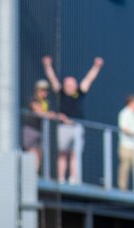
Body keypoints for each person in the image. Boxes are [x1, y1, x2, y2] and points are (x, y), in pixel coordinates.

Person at [42, 55, 102, 185]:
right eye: (67, 84)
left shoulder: (79, 93)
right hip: (63, 127)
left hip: (76, 127)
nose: (69, 86)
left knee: (75, 154)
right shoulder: (61, 93)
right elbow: (52, 79)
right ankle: (61, 179)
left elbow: (89, 79)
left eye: (71, 84)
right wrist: (47, 66)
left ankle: (73, 179)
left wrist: (96, 67)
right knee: (62, 153)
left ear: (75, 85)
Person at [22, 80, 66, 173]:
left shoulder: (46, 102)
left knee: (39, 155)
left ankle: (34, 174)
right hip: (31, 130)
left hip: (40, 131)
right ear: (37, 90)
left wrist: (53, 115)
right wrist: (53, 115)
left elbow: (47, 113)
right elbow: (40, 112)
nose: (44, 92)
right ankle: (29, 174)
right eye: (41, 90)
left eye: (45, 90)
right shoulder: (33, 99)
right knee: (32, 154)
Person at [117, 94, 134, 192]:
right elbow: (124, 128)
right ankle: (122, 188)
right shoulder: (124, 113)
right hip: (126, 145)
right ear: (130, 103)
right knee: (125, 167)